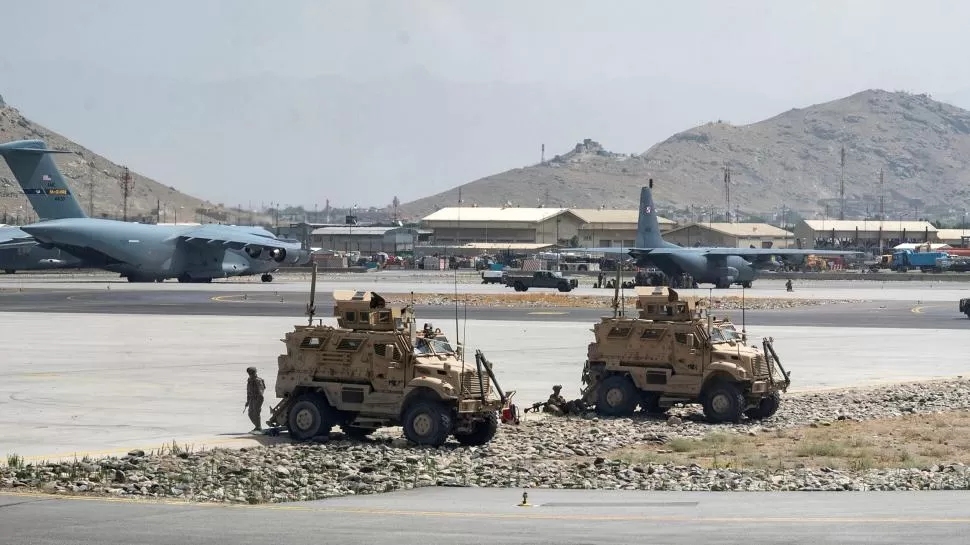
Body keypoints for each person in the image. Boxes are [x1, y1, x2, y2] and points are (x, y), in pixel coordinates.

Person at [245, 367, 266, 433]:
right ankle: (257, 426)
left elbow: (261, 391)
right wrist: (248, 401)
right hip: (252, 399)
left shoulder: (258, 380)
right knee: (250, 414)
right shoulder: (249, 380)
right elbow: (248, 391)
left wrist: (258, 399)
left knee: (256, 413)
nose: (250, 374)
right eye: (249, 373)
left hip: (258, 398)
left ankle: (258, 427)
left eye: (251, 373)